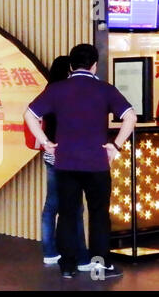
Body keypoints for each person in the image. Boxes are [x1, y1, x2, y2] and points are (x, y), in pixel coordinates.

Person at [24, 44, 137, 279]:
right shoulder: (104, 89)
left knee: (67, 213)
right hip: (96, 163)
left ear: (71, 66)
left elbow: (30, 114)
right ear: (94, 65)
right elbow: (130, 116)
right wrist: (115, 146)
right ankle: (99, 265)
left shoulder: (57, 89)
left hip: (65, 163)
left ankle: (67, 266)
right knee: (98, 214)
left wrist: (45, 141)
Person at [41, 56, 91, 272]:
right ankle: (81, 256)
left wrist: (46, 143)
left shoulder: (48, 93)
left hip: (51, 156)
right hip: (70, 158)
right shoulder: (68, 94)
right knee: (76, 207)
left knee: (51, 205)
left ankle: (49, 252)